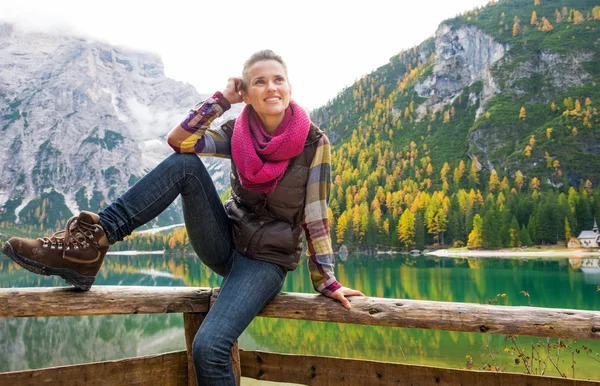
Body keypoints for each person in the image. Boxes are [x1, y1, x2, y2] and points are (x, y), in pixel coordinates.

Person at [2, 49, 364, 385]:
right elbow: (180, 142)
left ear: (289, 86)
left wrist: (326, 280)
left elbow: (316, 214)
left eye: (278, 79)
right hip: (225, 241)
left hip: (266, 262)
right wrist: (221, 100)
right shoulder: (237, 133)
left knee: (209, 348)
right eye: (259, 81)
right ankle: (91, 243)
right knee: (185, 166)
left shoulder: (315, 143)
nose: (271, 87)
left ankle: (85, 249)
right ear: (248, 93)